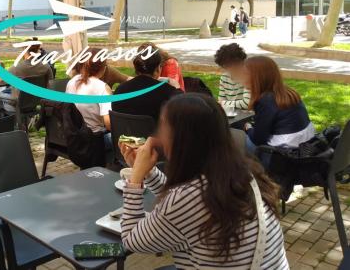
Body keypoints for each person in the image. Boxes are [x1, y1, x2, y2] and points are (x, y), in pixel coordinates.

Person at [119, 94, 288, 269]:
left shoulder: (186, 198)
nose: (158, 136)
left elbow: (131, 240)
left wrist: (135, 178)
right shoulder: (241, 170)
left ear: (182, 139)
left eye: (163, 127)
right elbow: (185, 203)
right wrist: (148, 172)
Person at [242, 56, 315, 150]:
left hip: (284, 152)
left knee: (244, 140)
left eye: (245, 75)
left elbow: (258, 139)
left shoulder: (266, 100)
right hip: (305, 143)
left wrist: (248, 129)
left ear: (257, 77)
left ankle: (255, 164)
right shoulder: (287, 91)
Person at [113, 43, 182, 119]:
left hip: (123, 130)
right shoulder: (167, 92)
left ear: (136, 68)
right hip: (154, 131)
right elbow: (184, 110)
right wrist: (177, 87)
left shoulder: (120, 90)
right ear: (158, 69)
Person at [66, 48, 112, 133]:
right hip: (95, 137)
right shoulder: (102, 88)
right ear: (102, 68)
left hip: (74, 136)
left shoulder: (72, 81)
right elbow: (109, 124)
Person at [214, 43, 251, 110]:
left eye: (233, 64)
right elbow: (221, 100)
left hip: (248, 116)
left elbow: (247, 104)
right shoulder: (224, 77)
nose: (229, 68)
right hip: (231, 114)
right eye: (225, 66)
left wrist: (224, 103)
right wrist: (223, 104)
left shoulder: (248, 76)